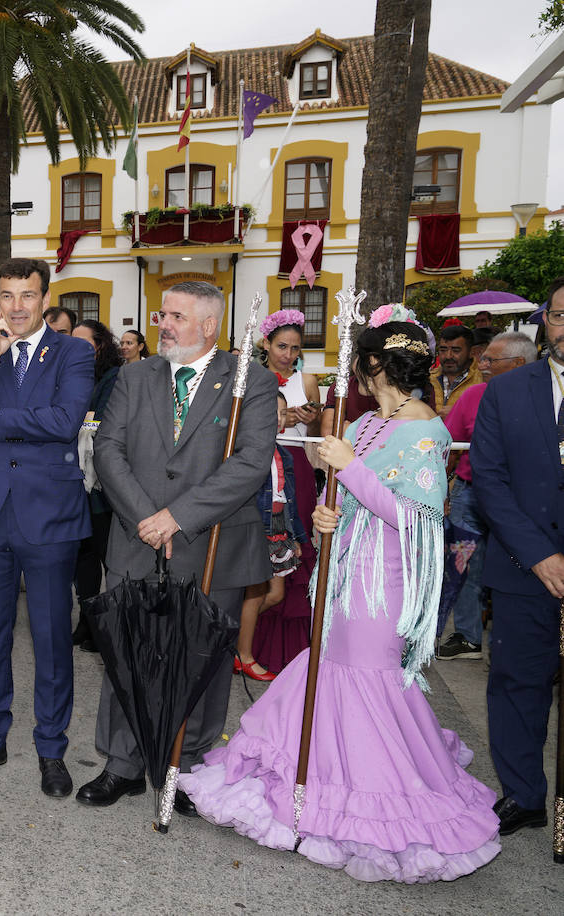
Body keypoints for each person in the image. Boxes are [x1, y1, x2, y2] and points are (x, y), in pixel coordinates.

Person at [178, 318, 501, 883]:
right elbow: (355, 496)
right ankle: (325, 775)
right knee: (328, 667)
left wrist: (350, 469)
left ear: (373, 364)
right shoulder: (369, 420)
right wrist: (332, 513)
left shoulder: (426, 429)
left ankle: (379, 794)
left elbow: (416, 520)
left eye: (360, 361)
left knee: (367, 678)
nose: (355, 371)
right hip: (345, 565)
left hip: (385, 579)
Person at [82, 280, 278, 813]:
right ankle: (121, 763)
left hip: (213, 543)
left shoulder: (250, 381)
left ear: (209, 326)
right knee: (128, 654)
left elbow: (250, 462)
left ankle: (186, 765)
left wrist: (178, 517)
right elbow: (109, 447)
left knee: (202, 664)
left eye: (175, 316)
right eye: (161, 313)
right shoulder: (133, 375)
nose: (162, 324)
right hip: (136, 537)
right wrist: (148, 516)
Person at [0, 258, 95, 798]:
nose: (17, 307)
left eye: (27, 295)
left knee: (52, 639)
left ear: (45, 297)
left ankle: (52, 750)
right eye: (7, 296)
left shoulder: (74, 351)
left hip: (48, 516)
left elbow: (64, 421)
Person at [472, 276, 564, 837]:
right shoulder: (506, 392)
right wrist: (540, 556)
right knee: (517, 684)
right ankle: (525, 794)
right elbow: (489, 481)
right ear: (545, 323)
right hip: (522, 568)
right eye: (560, 315)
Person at [436, 332, 535, 662]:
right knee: (463, 567)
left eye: (492, 360)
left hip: (526, 501)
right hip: (469, 498)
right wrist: (441, 491)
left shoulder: (545, 398)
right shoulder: (474, 395)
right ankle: (467, 637)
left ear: (519, 364)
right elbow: (448, 447)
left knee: (519, 569)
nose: (483, 365)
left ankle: (517, 645)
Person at [249, 310, 321, 675]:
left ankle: (292, 648)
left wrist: (308, 417)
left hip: (297, 468)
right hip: (262, 466)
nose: (288, 354)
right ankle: (245, 638)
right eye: (282, 346)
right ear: (266, 343)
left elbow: (320, 424)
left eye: (295, 348)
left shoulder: (307, 381)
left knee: (295, 547)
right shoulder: (252, 378)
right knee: (261, 548)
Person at [235, 390, 309, 682]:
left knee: (275, 594)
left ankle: (232, 634)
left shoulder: (284, 454)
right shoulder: (246, 451)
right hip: (255, 527)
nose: (278, 419)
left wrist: (300, 539)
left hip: (279, 528)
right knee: (254, 594)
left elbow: (289, 500)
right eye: (271, 412)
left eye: (282, 413)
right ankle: (245, 655)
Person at [69, 318, 123, 653]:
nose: (74, 347)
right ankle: (87, 621)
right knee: (83, 556)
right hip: (77, 481)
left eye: (83, 342)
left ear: (100, 345)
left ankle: (108, 626)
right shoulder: (74, 373)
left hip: (102, 483)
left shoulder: (113, 377)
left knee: (106, 555)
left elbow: (97, 420)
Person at [434, 323, 481, 418]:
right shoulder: (429, 379)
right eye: (443, 350)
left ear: (472, 352)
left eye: (456, 350)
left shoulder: (482, 380)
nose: (448, 356)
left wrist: (460, 413)